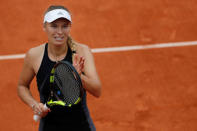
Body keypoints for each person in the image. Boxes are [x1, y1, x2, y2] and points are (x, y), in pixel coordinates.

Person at [17, 5, 102, 131]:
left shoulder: (82, 51)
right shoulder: (34, 55)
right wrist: (34, 105)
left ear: (70, 27)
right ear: (44, 27)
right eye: (54, 26)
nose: (60, 32)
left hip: (81, 126)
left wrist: (77, 76)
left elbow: (97, 90)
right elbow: (22, 86)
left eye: (65, 26)